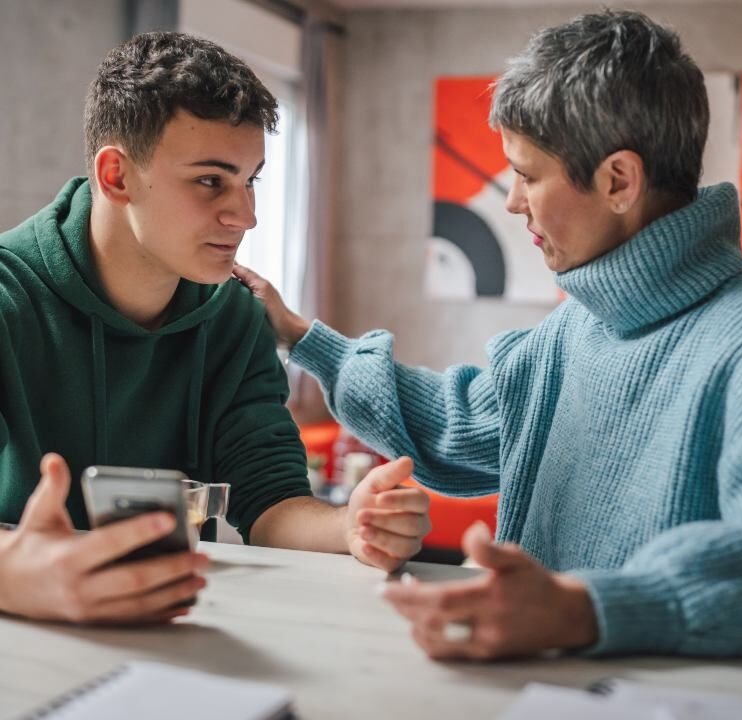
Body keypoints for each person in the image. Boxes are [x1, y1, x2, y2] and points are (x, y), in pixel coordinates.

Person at [233, 8, 742, 659]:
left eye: (528, 175)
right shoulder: (573, 329)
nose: (511, 200)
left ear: (618, 180)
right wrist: (303, 335)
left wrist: (583, 611)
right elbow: (453, 424)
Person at [0, 32, 430, 625]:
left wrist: (350, 525)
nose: (245, 216)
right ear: (117, 176)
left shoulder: (235, 316)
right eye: (210, 181)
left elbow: (273, 503)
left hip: (170, 642)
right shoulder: (7, 300)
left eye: (251, 180)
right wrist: (14, 572)